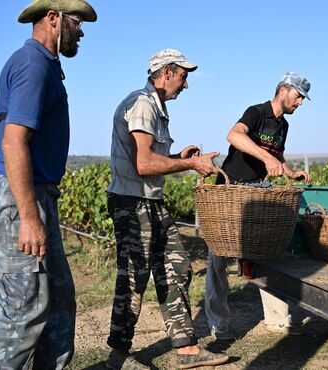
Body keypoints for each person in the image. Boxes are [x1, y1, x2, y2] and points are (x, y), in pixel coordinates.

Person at [0, 1, 97, 369]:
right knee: (22, 313)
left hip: (36, 197)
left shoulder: (45, 66)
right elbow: (12, 141)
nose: (81, 30)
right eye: (77, 22)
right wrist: (29, 218)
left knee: (59, 306)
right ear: (53, 19)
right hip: (19, 201)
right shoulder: (32, 65)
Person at [105, 49, 230, 370]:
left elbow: (150, 159)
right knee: (134, 278)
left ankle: (186, 349)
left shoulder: (156, 107)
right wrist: (190, 163)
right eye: (184, 76)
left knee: (177, 268)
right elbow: (144, 164)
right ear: (167, 72)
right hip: (133, 203)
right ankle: (117, 357)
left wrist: (178, 154)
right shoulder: (143, 104)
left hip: (150, 201)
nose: (186, 85)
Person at [205, 72, 313, 340]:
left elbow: (277, 155)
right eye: (298, 96)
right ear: (284, 90)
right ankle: (219, 324)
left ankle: (277, 320)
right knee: (218, 260)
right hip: (229, 192)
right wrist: (265, 158)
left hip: (256, 195)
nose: (300, 103)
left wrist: (289, 172)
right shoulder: (256, 112)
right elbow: (233, 135)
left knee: (267, 253)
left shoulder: (283, 126)